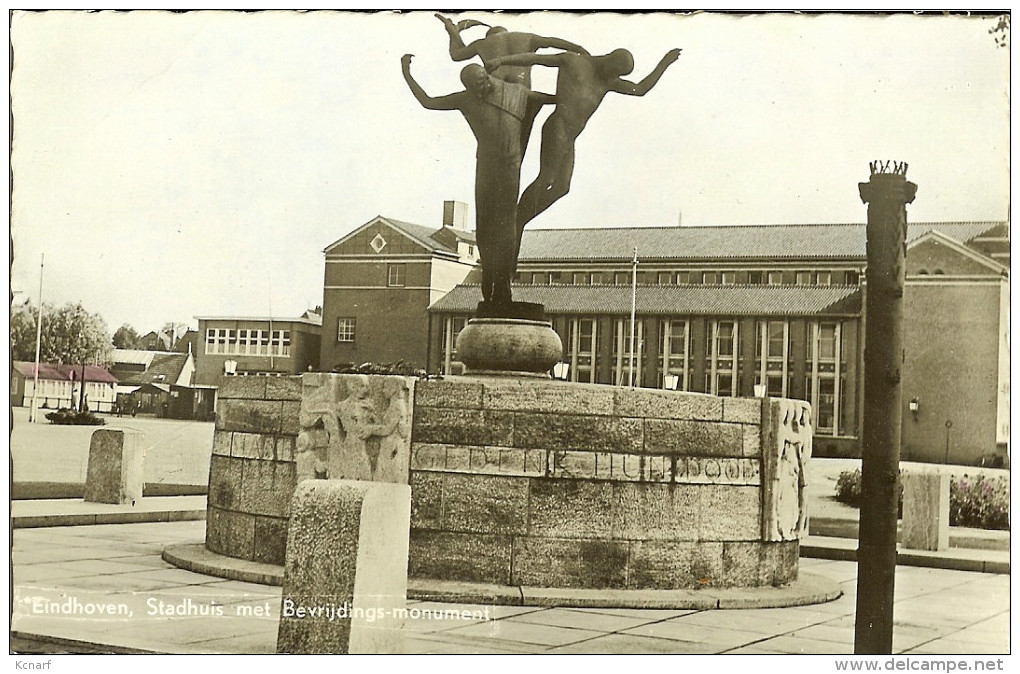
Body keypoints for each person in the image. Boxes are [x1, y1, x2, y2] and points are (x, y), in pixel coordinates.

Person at [402, 53, 555, 306]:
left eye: (484, 80)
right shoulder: (466, 100)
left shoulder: (514, 92)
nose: (484, 86)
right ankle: (489, 275)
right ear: (468, 88)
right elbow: (428, 101)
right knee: (484, 226)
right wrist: (408, 74)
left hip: (509, 167)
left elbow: (551, 99)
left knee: (506, 225)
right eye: (476, 85)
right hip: (485, 166)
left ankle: (503, 284)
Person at [485, 48, 682, 239]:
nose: (613, 77)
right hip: (557, 127)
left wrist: (664, 63)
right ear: (609, 59)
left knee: (562, 187)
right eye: (614, 72)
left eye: (617, 75)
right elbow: (535, 58)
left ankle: (520, 219)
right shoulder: (573, 61)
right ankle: (515, 222)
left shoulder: (608, 80)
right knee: (546, 178)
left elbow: (639, 89)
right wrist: (501, 61)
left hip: (570, 137)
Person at [435, 13, 588, 88]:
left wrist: (453, 34)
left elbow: (456, 55)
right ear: (505, 31)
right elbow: (551, 42)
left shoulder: (482, 43)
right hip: (521, 82)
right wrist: (578, 48)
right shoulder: (526, 37)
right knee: (522, 129)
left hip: (495, 82)